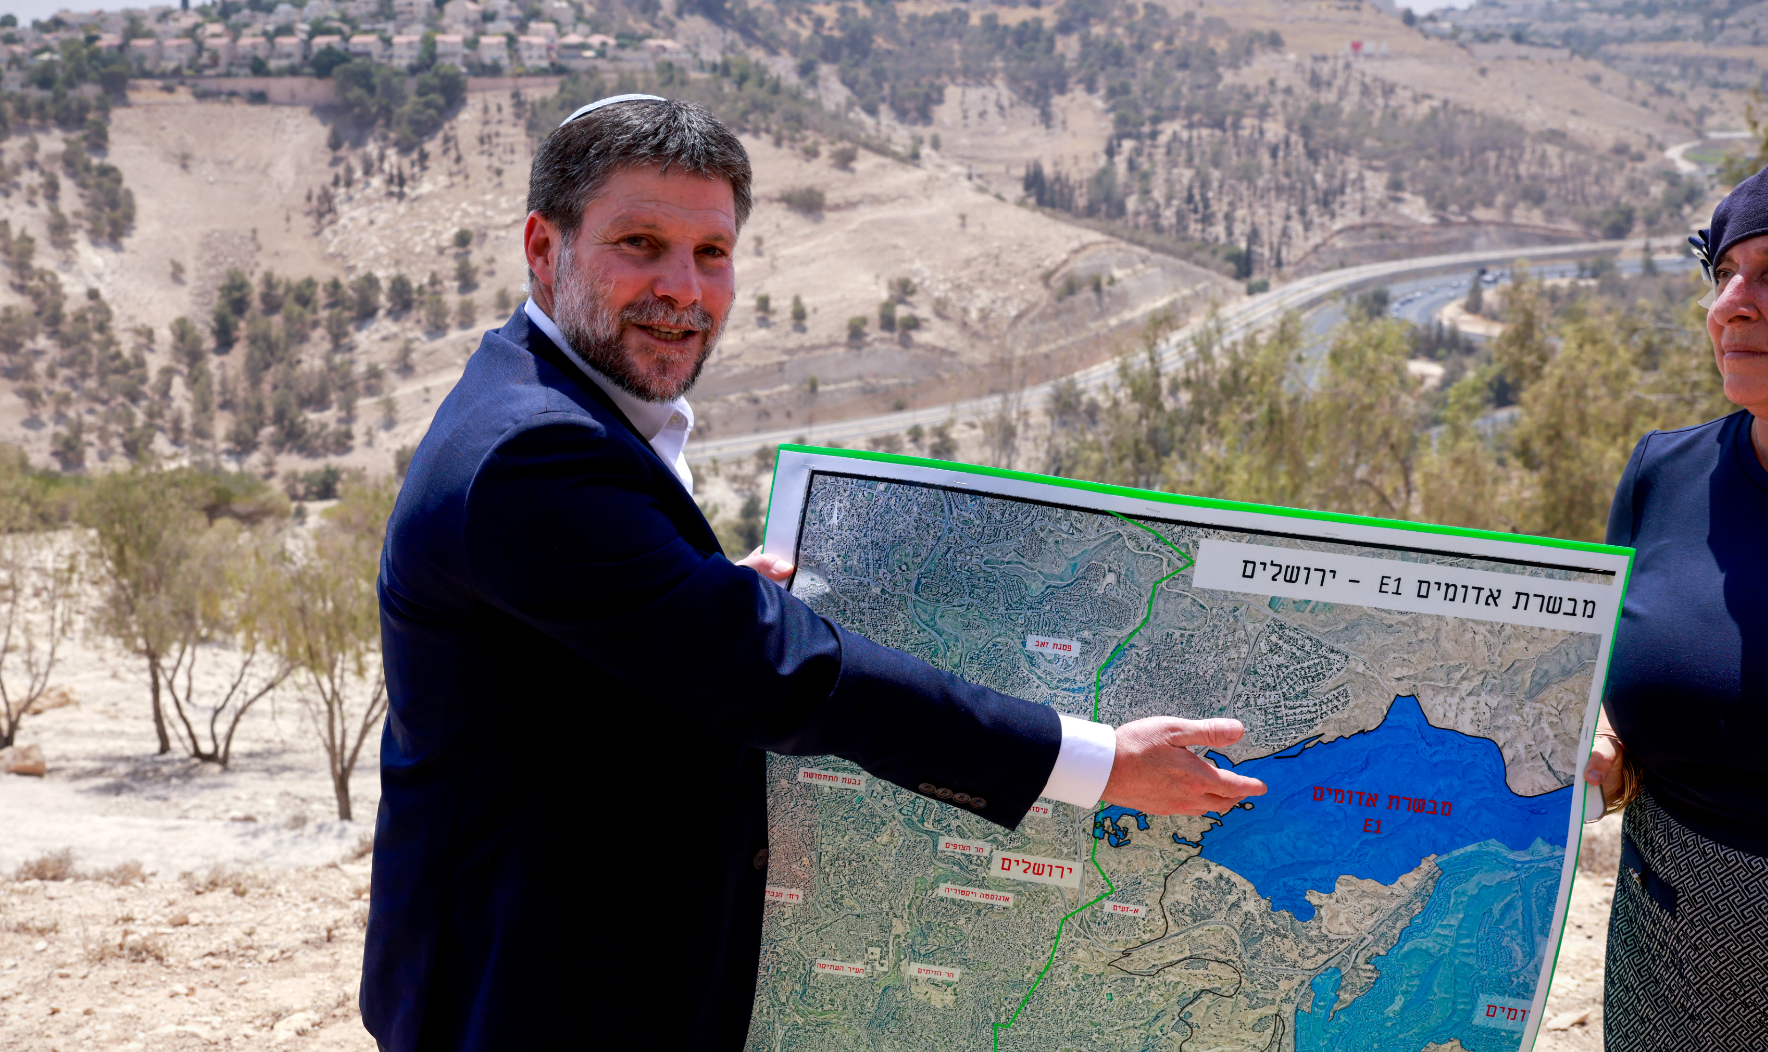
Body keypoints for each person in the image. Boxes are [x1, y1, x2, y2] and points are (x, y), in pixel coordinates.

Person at [358, 95, 1268, 1050]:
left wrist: (691, 599)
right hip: (524, 996)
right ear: (544, 249)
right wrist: (1097, 763)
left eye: (711, 253)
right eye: (640, 243)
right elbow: (787, 674)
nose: (685, 289)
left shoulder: (545, 398)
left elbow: (605, 647)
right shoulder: (531, 453)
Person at [1590, 149, 1768, 1050]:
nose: (1731, 304)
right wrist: (1606, 748)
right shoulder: (1663, 474)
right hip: (1671, 981)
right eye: (1723, 273)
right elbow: (1605, 689)